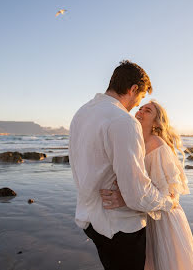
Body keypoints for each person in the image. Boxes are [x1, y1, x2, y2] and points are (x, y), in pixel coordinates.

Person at [68, 60, 176, 270]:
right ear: (133, 89)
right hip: (119, 227)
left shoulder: (81, 114)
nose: (137, 105)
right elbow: (137, 193)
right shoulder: (124, 121)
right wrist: (166, 201)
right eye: (140, 97)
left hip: (89, 220)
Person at [102, 100, 193, 270]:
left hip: (163, 219)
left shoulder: (157, 145)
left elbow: (170, 196)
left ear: (156, 122)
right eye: (139, 108)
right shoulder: (134, 141)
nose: (139, 112)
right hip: (142, 214)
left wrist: (127, 198)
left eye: (147, 111)